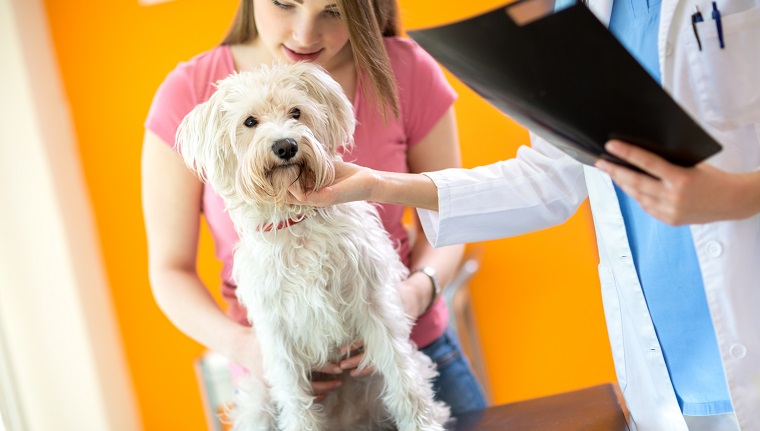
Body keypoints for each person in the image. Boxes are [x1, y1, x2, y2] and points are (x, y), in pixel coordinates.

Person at [289, 1, 760, 430]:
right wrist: (378, 184)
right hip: (665, 363)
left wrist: (739, 195)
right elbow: (551, 178)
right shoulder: (574, 9)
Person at [141, 0, 487, 417]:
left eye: (333, 11)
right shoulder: (189, 92)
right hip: (279, 378)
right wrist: (250, 348)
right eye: (285, 4)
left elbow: (452, 213)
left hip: (409, 349)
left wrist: (414, 293)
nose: (305, 35)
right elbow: (169, 268)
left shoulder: (407, 72)